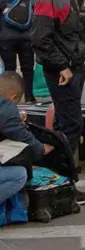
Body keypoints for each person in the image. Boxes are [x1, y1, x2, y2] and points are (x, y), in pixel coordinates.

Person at [30, 0, 85, 205]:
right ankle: (61, 181)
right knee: (70, 126)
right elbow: (41, 39)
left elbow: (71, 32)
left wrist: (81, 59)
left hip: (71, 66)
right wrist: (63, 66)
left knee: (71, 124)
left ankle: (62, 181)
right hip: (62, 70)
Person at [0, 71, 50, 207]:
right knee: (19, 175)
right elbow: (22, 136)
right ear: (13, 96)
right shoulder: (6, 107)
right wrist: (41, 149)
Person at [0, 0, 35, 103]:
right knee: (27, 68)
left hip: (5, 38)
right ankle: (29, 96)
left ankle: (10, 98)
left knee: (9, 68)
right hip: (26, 37)